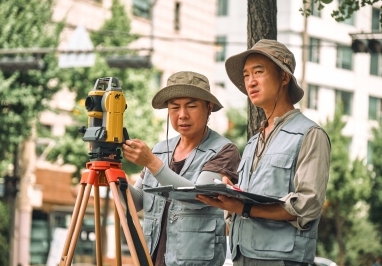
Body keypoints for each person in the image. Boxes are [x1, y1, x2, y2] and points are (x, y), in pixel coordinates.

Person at [196, 39, 331, 266]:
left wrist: (244, 207)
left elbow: (307, 206)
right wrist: (231, 194)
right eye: (246, 75)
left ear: (284, 77)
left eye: (258, 72)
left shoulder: (310, 134)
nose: (250, 82)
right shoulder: (253, 142)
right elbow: (252, 196)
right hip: (242, 257)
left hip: (280, 260)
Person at [122, 71, 241, 266]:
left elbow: (198, 198)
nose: (182, 115)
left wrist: (152, 163)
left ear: (209, 107)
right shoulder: (159, 150)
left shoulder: (225, 150)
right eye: (174, 107)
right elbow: (137, 203)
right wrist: (116, 177)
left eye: (192, 106)